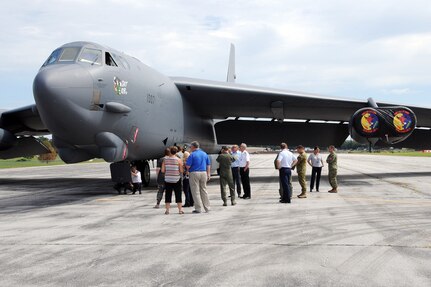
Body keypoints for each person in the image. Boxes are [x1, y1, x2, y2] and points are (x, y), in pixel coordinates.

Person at [186, 141, 211, 213]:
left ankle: (198, 208)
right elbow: (208, 165)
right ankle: (207, 207)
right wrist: (208, 174)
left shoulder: (192, 155)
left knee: (195, 191)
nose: (190, 148)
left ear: (193, 147)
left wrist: (186, 167)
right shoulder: (204, 154)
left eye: (190, 147)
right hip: (204, 173)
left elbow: (188, 166)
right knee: (204, 190)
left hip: (194, 173)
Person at [161, 146, 184, 215]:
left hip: (168, 179)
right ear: (176, 152)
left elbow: (162, 170)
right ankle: (180, 210)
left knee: (168, 195)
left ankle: (167, 210)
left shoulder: (165, 160)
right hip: (176, 179)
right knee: (178, 194)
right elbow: (181, 170)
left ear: (170, 152)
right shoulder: (179, 160)